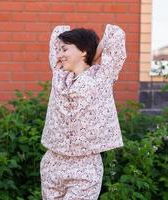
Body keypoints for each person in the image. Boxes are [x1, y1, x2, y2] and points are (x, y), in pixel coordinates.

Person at [40, 23, 126, 200]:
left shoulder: (101, 77)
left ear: (84, 51)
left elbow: (115, 38)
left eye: (65, 49)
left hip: (85, 165)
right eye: (60, 50)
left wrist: (93, 52)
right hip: (53, 162)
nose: (60, 54)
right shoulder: (58, 74)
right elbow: (57, 34)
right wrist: (83, 54)